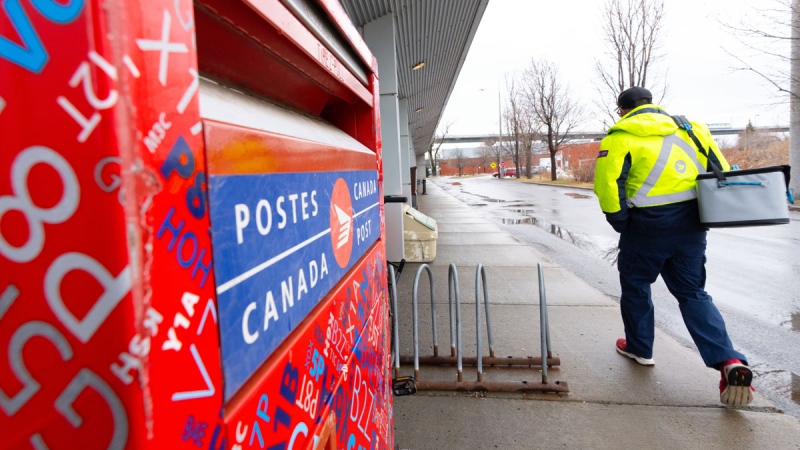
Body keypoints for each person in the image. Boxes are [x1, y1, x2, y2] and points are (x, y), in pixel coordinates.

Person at [593, 86, 754, 407]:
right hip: (692, 227)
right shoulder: (693, 130)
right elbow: (718, 170)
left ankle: (640, 348)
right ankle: (728, 361)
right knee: (693, 293)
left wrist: (622, 223)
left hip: (646, 229)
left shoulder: (619, 136)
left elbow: (607, 186)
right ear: (653, 104)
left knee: (637, 286)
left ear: (622, 110)